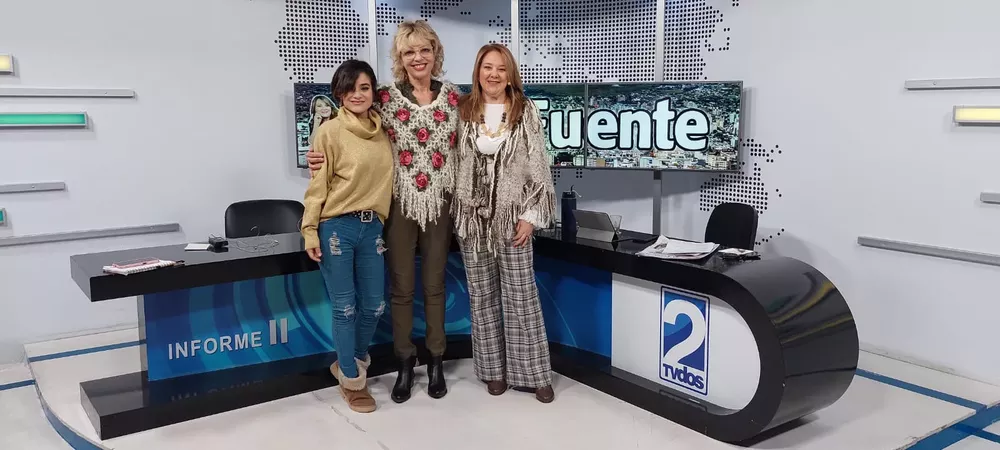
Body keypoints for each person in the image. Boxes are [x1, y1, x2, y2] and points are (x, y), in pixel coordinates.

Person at [306, 20, 460, 404]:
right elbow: (347, 119)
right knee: (401, 288)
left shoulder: (454, 99)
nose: (417, 58)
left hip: (440, 203)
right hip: (398, 204)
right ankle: (405, 362)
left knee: (435, 285)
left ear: (435, 53)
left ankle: (436, 360)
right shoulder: (385, 99)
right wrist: (317, 153)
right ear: (400, 58)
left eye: (424, 50)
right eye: (409, 52)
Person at [452, 43, 557, 403]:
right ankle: (493, 371)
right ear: (478, 72)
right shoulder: (464, 110)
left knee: (521, 295)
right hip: (473, 220)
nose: (493, 74)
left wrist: (530, 216)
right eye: (487, 67)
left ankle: (535, 374)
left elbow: (538, 164)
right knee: (482, 297)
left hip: (513, 218)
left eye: (500, 68)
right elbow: (453, 161)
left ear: (510, 75)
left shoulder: (524, 110)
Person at [301, 59, 393, 414]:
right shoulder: (328, 132)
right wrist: (310, 229)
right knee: (345, 306)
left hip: (373, 228)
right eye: (350, 88)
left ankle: (349, 361)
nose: (358, 94)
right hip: (337, 227)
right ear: (339, 93)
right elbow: (318, 185)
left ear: (374, 92)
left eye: (364, 87)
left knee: (375, 305)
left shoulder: (384, 131)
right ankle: (353, 382)